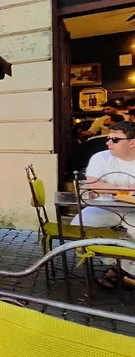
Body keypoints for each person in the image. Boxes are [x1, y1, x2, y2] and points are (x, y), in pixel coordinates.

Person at [71, 121, 135, 288]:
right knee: (79, 225)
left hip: (133, 211)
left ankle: (122, 271)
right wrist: (125, 190)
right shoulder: (101, 157)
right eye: (108, 138)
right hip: (105, 207)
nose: (108, 143)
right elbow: (93, 184)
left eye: (114, 140)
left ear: (132, 142)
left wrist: (109, 188)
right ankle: (123, 267)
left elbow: (99, 186)